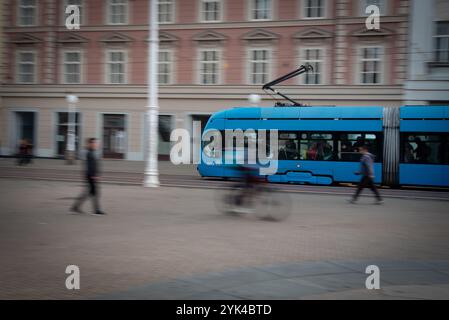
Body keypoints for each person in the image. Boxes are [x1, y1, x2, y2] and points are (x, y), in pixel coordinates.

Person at [71, 138, 105, 215]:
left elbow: (96, 164)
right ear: (89, 144)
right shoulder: (89, 153)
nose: (96, 144)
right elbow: (90, 166)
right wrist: (94, 175)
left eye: (96, 143)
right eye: (94, 143)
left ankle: (75, 207)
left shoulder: (93, 152)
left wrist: (97, 174)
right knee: (94, 192)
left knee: (89, 193)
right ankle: (96, 210)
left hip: (90, 175)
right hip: (90, 175)